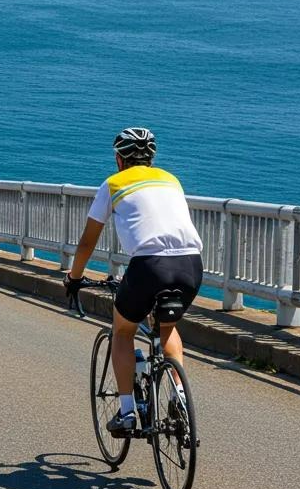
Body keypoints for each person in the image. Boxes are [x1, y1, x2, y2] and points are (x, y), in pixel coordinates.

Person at [65, 127, 204, 437]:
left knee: (123, 331)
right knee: (167, 327)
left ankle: (127, 412)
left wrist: (74, 278)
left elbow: (87, 241)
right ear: (151, 158)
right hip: (191, 265)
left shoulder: (113, 184)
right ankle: (180, 399)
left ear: (119, 159)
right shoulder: (171, 180)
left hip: (149, 267)